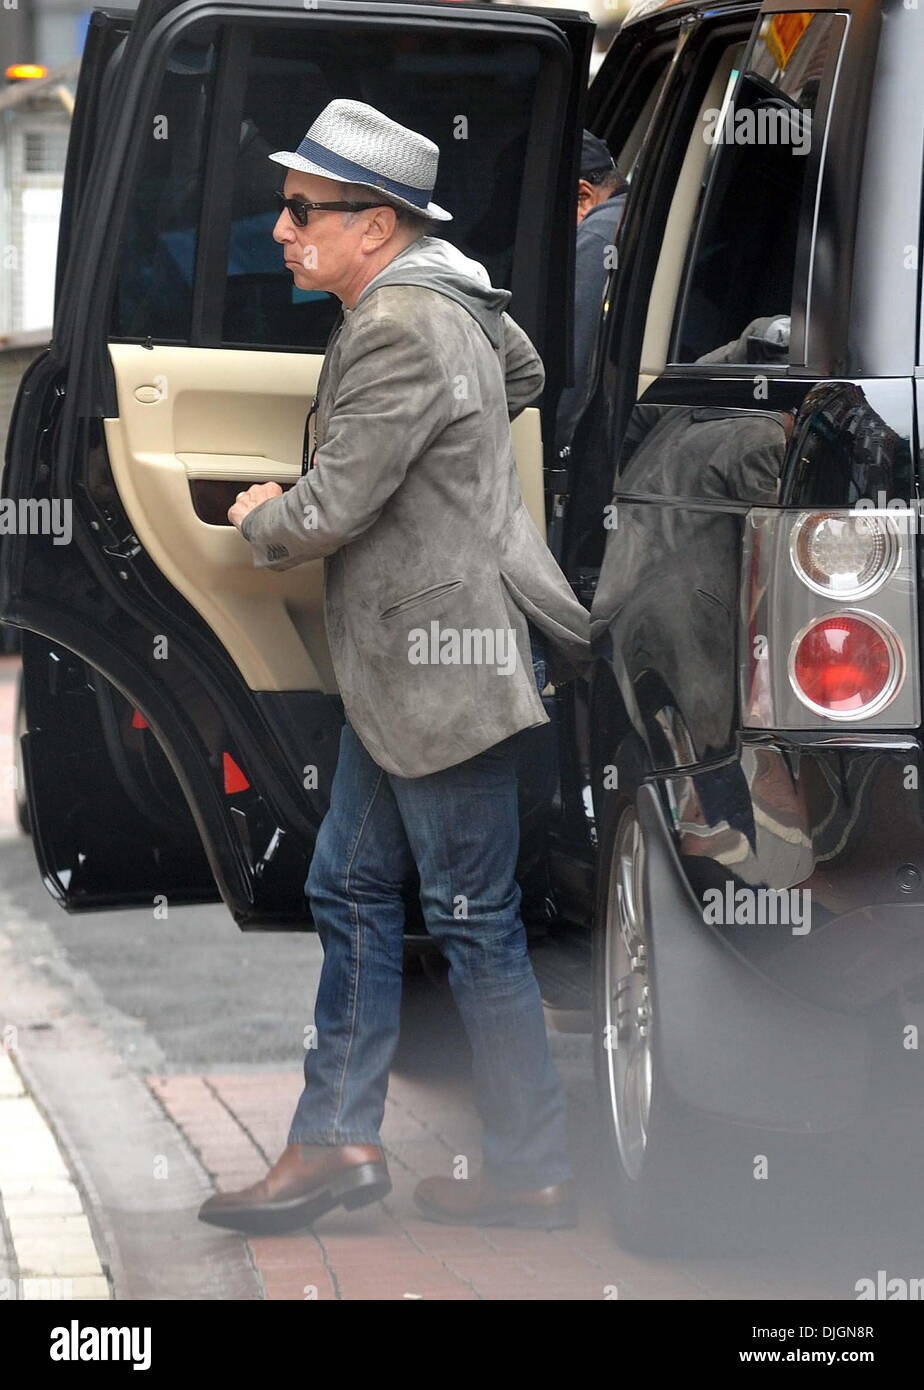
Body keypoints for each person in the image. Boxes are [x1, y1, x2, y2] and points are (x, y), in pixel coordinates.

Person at [197, 99, 591, 1235]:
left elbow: (334, 505)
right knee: (353, 889)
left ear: (375, 226)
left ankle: (530, 1167)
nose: (282, 229)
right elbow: (515, 372)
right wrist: (448, 485)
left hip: (438, 676)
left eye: (303, 210)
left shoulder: (397, 326)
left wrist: (268, 512)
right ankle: (337, 1140)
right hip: (415, 676)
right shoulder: (447, 306)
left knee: (472, 919)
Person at [554, 131, 629, 458]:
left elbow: (575, 360)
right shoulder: (633, 216)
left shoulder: (599, 233)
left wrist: (553, 443)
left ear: (583, 196)